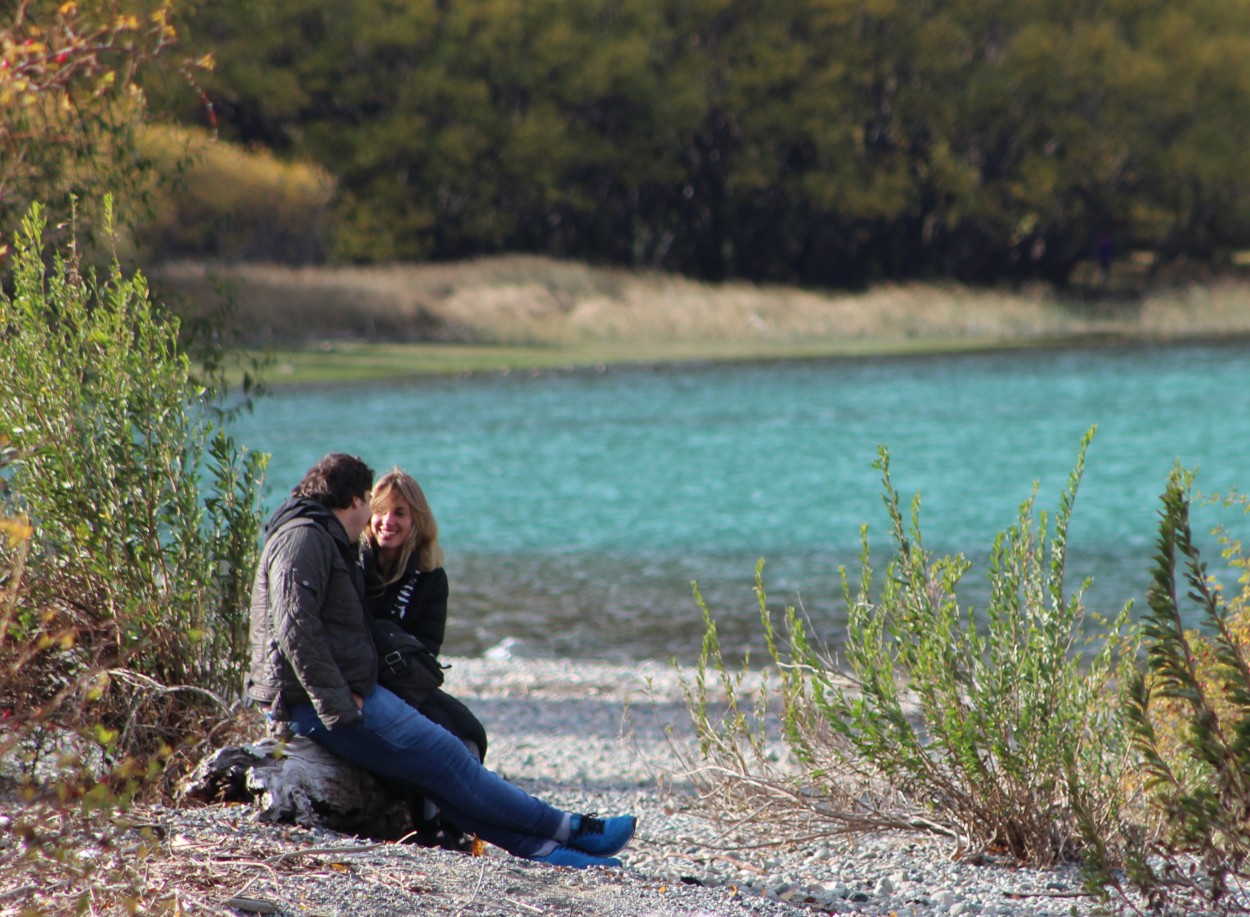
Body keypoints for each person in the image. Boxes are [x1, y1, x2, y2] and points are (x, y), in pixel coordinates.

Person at [245, 453, 636, 868]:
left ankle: (550, 852)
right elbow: (295, 631)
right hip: (326, 706)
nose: (375, 521)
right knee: (449, 758)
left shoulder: (318, 535)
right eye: (372, 507)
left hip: (334, 697)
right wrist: (339, 705)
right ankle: (568, 827)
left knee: (445, 771)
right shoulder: (305, 537)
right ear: (357, 501)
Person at [363, 468, 488, 763]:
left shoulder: (431, 577)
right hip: (357, 684)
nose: (388, 521)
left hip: (405, 683)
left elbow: (427, 649)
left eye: (400, 513)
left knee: (469, 732)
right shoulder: (352, 564)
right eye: (380, 511)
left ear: (416, 521)